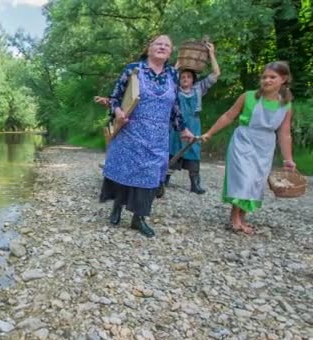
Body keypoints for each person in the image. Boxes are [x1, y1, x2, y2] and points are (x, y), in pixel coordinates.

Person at [99, 34, 194, 237]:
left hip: (159, 136)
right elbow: (115, 97)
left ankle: (138, 218)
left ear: (171, 51)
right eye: (158, 43)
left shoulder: (172, 75)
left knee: (150, 177)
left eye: (167, 45)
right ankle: (117, 205)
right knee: (127, 170)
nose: (162, 47)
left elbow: (175, 105)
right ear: (149, 48)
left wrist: (183, 129)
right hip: (131, 131)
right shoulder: (133, 69)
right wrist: (118, 112)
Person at [201, 61, 296, 235]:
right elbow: (229, 116)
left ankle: (240, 216)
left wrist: (288, 159)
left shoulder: (286, 105)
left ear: (283, 79)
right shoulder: (249, 96)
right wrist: (210, 133)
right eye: (264, 77)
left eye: (272, 77)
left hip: (265, 145)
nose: (267, 80)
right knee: (243, 179)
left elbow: (284, 133)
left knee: (255, 182)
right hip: (244, 140)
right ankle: (235, 219)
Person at [165, 42, 221, 194]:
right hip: (177, 125)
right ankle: (164, 179)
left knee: (194, 150)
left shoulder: (199, 88)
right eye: (182, 76)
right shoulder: (174, 89)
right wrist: (179, 63)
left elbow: (216, 74)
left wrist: (211, 54)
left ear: (193, 79)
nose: (185, 79)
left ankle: (195, 184)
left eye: (188, 76)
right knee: (173, 148)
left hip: (194, 123)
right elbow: (167, 77)